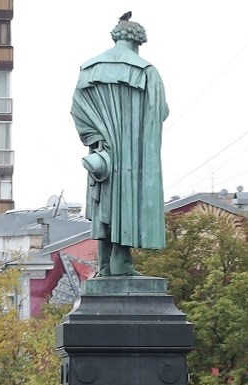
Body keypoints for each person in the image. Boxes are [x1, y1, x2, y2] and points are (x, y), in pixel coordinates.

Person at [71, 12, 169, 277]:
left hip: (102, 153)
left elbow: (77, 110)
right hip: (134, 155)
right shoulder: (146, 71)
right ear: (138, 41)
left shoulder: (89, 69)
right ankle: (121, 265)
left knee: (106, 204)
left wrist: (97, 138)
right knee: (127, 205)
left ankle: (104, 266)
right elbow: (159, 111)